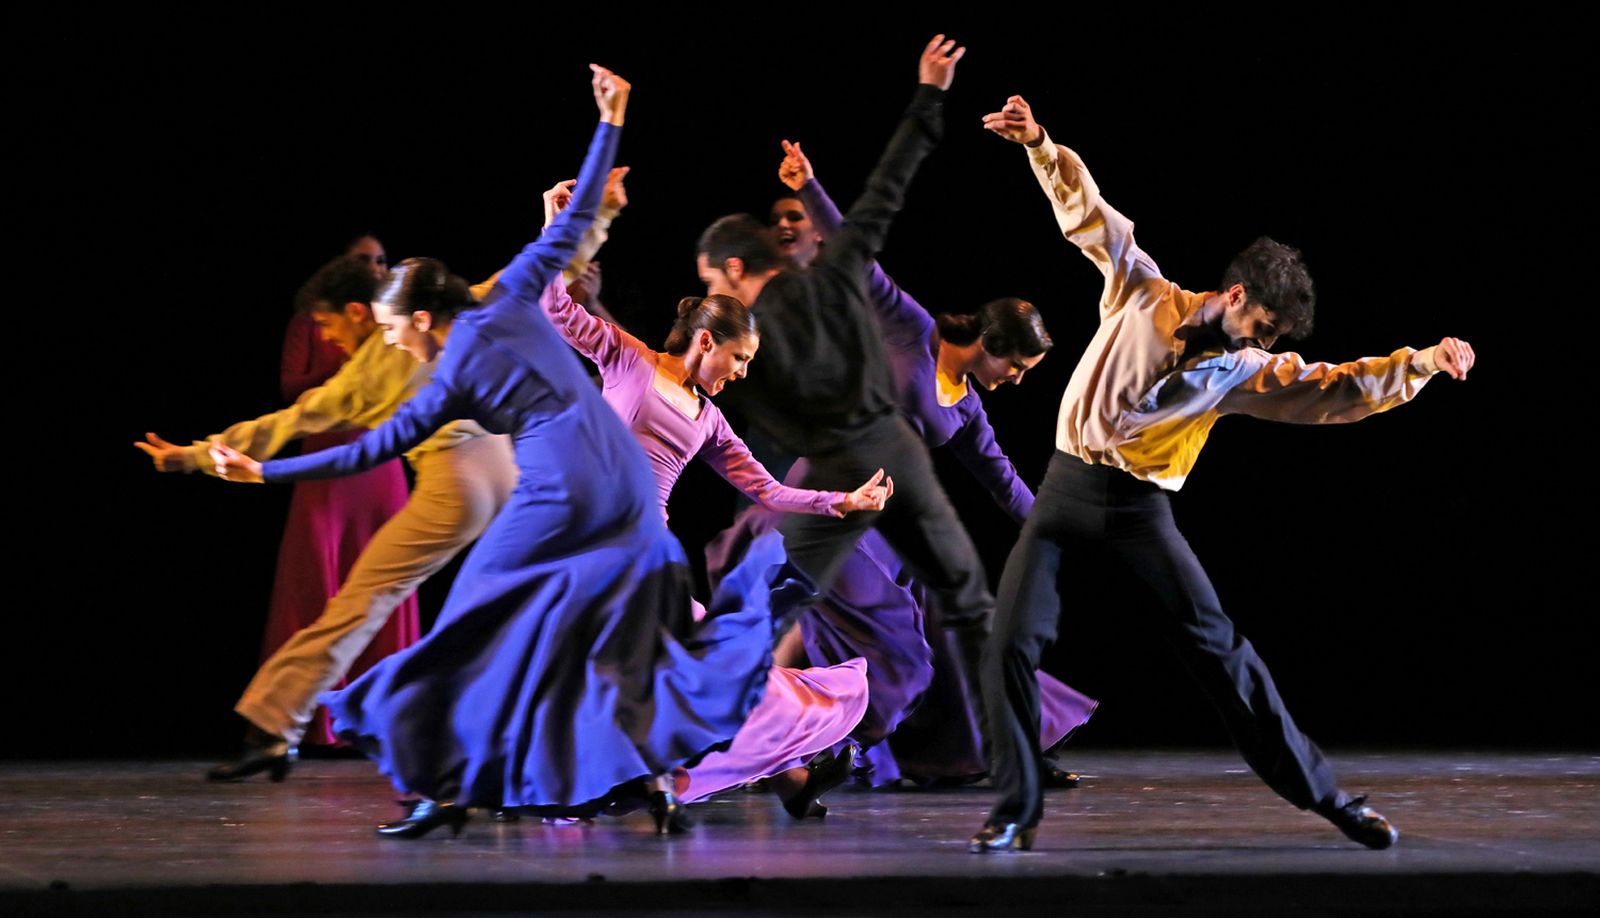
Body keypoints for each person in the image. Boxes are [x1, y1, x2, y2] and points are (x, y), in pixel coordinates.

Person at [211, 66, 803, 840]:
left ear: (420, 318)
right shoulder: (512, 291)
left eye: (392, 331)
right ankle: (651, 779)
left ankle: (445, 789)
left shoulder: (448, 373)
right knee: (595, 633)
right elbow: (573, 216)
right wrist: (611, 119)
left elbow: (371, 449)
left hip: (561, 489)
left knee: (471, 632)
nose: (391, 343)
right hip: (625, 484)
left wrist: (265, 470)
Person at [968, 94, 1477, 852]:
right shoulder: (1140, 290)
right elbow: (1089, 214)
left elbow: (1335, 387)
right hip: (1066, 493)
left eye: (1272, 339)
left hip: (1140, 512)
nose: (1262, 345)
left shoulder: (1242, 370)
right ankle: (1015, 810)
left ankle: (1330, 799)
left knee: (1221, 649)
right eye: (1261, 328)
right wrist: (1039, 143)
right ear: (1235, 296)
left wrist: (1423, 362)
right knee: (1010, 642)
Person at [748, 141, 1098, 786]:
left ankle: (1010, 745)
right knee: (888, 636)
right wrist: (810, 185)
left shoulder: (966, 409)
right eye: (1016, 366)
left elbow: (1001, 479)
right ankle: (805, 745)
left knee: (955, 627)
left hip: (886, 526)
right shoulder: (911, 328)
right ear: (989, 342)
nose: (1017, 380)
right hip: (830, 505)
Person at [535, 178, 886, 817]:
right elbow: (556, 308)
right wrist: (557, 230)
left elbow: (767, 489)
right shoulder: (629, 359)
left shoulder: (709, 420)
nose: (741, 372)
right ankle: (780, 781)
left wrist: (842, 502)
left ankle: (771, 777)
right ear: (705, 341)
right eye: (738, 357)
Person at [695, 38, 1001, 745]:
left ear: (735, 268)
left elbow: (876, 205)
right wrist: (929, 94)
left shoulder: (772, 324)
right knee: (950, 605)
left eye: (711, 280)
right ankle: (1010, 773)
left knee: (778, 610)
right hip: (863, 468)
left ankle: (729, 742)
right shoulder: (814, 290)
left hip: (842, 475)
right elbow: (881, 196)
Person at [137, 253, 517, 782]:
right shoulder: (440, 308)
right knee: (510, 609)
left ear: (359, 312)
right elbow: (530, 272)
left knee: (359, 605)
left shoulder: (366, 371)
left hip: (455, 480)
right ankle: (516, 751)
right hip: (510, 467)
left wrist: (193, 457)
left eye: (327, 323)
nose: (328, 337)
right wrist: (586, 221)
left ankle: (273, 727)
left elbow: (291, 424)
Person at [268, 232, 419, 749]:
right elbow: (291, 386)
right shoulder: (315, 319)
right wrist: (350, 367)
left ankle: (382, 718)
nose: (375, 267)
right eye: (364, 259)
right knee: (317, 582)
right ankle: (303, 719)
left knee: (385, 583)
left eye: (381, 259)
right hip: (327, 458)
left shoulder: (394, 322)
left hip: (380, 459)